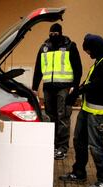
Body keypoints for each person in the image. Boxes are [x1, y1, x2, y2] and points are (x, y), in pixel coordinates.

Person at [60, 34, 103, 187]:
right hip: (89, 107)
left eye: (90, 52)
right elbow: (91, 80)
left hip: (101, 110)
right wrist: (78, 91)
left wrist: (79, 90)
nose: (90, 55)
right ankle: (79, 172)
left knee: (96, 146)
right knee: (79, 140)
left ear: (97, 48)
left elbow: (99, 84)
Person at [32, 23, 82, 160]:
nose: (53, 35)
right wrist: (34, 88)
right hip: (48, 88)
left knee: (63, 117)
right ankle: (51, 145)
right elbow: (38, 69)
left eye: (55, 33)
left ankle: (62, 148)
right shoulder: (44, 48)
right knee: (50, 117)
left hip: (64, 87)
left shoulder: (70, 46)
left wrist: (75, 85)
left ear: (60, 33)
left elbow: (78, 68)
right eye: (51, 33)